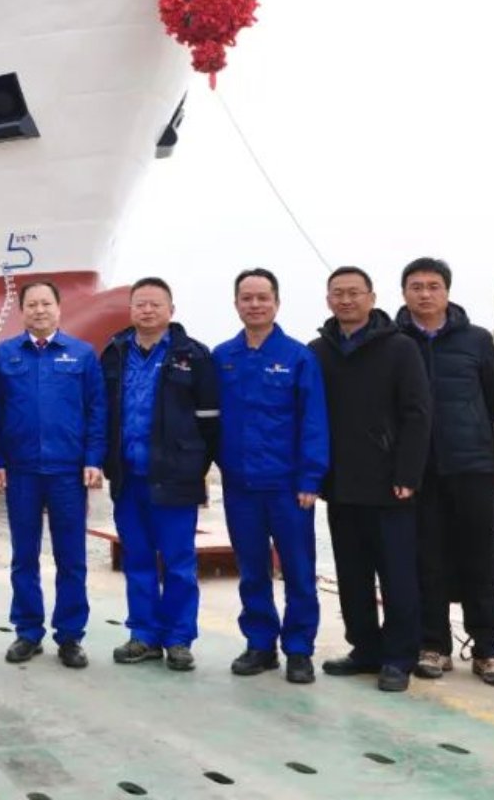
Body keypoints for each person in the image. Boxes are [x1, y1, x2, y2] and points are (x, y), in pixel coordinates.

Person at [310, 266, 431, 693]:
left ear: (372, 298)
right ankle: (365, 648)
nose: (346, 300)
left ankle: (399, 657)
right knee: (352, 574)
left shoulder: (400, 347)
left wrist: (408, 472)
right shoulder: (318, 352)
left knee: (397, 575)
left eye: (354, 293)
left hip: (389, 483)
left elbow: (418, 413)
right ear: (328, 299)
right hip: (341, 483)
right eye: (338, 293)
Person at [394, 257, 494, 687]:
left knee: (480, 556)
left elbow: (493, 399)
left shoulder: (476, 340)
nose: (425, 294)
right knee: (427, 557)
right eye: (416, 286)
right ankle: (434, 645)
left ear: (447, 291)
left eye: (433, 286)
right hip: (418, 469)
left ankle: (488, 649)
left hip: (471, 464)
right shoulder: (394, 341)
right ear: (404, 292)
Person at [212, 268, 329, 685]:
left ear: (277, 303)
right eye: (247, 298)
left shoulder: (298, 358)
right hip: (240, 485)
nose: (255, 305)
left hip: (287, 486)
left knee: (298, 570)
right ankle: (260, 644)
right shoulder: (222, 358)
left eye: (263, 297)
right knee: (251, 569)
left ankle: (299, 649)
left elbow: (313, 421)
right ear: (236, 304)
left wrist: (310, 479)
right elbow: (210, 420)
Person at [100, 277, 220, 672]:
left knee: (179, 562)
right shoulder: (114, 353)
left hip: (175, 479)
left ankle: (179, 638)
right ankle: (144, 635)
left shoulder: (194, 356)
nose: (147, 310)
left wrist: (193, 466)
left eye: (155, 304)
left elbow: (210, 421)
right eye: (140, 304)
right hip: (128, 478)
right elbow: (102, 412)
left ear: (171, 309)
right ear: (131, 309)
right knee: (137, 559)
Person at [0, 280, 105, 669]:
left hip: (67, 472)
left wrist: (93, 458)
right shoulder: (5, 355)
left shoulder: (82, 354)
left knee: (71, 557)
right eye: (32, 305)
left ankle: (70, 636)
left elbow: (96, 410)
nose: (39, 310)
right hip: (21, 470)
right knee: (24, 556)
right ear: (22, 311)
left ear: (59, 308)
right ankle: (27, 631)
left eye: (46, 304)